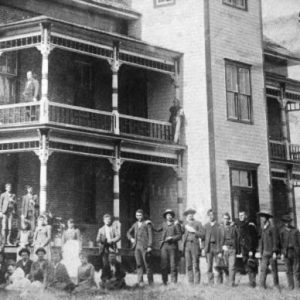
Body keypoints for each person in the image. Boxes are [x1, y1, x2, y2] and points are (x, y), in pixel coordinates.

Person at [154, 209, 182, 285]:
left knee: (173, 264)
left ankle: (173, 281)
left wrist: (172, 238)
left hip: (172, 247)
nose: (169, 216)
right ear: (165, 217)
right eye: (167, 215)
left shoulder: (176, 224)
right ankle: (164, 281)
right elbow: (156, 229)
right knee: (164, 264)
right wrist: (149, 223)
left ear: (172, 216)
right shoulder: (164, 224)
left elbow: (179, 235)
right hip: (164, 246)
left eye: (170, 215)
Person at [126, 209, 153, 286]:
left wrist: (150, 246)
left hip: (145, 247)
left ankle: (150, 282)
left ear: (143, 215)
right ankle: (140, 281)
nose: (139, 217)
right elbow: (128, 232)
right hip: (136, 247)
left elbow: (150, 235)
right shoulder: (135, 224)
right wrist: (131, 238)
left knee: (147, 264)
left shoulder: (147, 224)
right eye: (137, 215)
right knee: (138, 264)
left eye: (140, 215)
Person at [236, 211, 259, 288]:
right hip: (243, 250)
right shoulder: (239, 225)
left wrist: (251, 250)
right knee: (247, 266)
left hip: (249, 250)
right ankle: (251, 282)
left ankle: (253, 283)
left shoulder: (250, 225)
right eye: (239, 215)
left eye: (242, 215)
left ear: (245, 216)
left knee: (251, 265)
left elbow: (253, 239)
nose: (241, 217)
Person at [257, 210, 279, 289]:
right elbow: (261, 240)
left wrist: (274, 252)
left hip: (271, 252)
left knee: (274, 270)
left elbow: (275, 240)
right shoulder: (262, 228)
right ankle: (262, 285)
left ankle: (276, 285)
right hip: (264, 252)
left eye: (263, 217)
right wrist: (260, 251)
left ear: (267, 218)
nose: (262, 218)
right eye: (261, 217)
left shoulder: (272, 227)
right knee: (263, 269)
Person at [182, 208, 204, 284]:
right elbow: (179, 233)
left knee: (196, 264)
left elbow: (202, 235)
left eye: (191, 214)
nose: (190, 215)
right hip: (187, 246)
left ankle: (197, 282)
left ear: (193, 215)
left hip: (195, 245)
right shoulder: (184, 225)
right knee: (188, 265)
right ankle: (190, 282)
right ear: (186, 215)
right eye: (188, 214)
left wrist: (194, 231)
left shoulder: (198, 223)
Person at [279, 215, 300, 290]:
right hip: (286, 252)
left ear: (290, 222)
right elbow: (281, 244)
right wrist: (281, 253)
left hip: (295, 252)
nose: (286, 223)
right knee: (288, 270)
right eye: (285, 222)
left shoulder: (295, 230)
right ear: (284, 222)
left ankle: (298, 287)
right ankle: (290, 286)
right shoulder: (282, 231)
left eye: (288, 221)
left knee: (296, 270)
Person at [203, 209, 222, 285]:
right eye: (209, 215)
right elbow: (203, 238)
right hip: (209, 247)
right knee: (209, 266)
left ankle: (219, 282)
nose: (211, 216)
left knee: (218, 265)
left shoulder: (219, 226)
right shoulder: (206, 226)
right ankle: (210, 282)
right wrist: (203, 248)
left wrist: (220, 250)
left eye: (212, 215)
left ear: (215, 216)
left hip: (217, 247)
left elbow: (221, 238)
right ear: (208, 216)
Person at [219, 212, 238, 286]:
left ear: (229, 219)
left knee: (232, 267)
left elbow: (237, 236)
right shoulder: (220, 228)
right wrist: (221, 250)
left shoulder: (233, 227)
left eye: (227, 218)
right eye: (224, 218)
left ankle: (231, 283)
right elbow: (219, 240)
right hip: (224, 249)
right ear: (222, 219)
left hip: (232, 249)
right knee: (226, 267)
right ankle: (227, 281)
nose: (226, 220)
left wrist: (235, 224)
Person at [61, 218, 81, 283]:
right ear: (67, 224)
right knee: (68, 262)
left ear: (74, 224)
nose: (70, 224)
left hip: (74, 248)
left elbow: (79, 240)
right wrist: (62, 250)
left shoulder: (76, 231)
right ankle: (68, 278)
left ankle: (74, 279)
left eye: (72, 223)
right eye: (69, 223)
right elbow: (63, 242)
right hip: (67, 248)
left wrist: (79, 249)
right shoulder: (65, 232)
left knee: (74, 262)